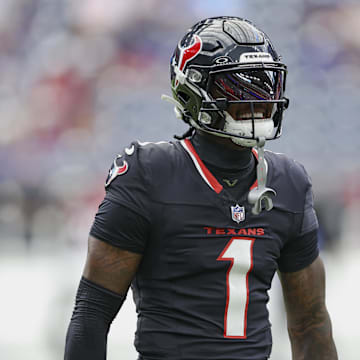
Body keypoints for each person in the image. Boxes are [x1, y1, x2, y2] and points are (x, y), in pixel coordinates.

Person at [64, 16, 338, 360]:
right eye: (239, 89)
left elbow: (310, 323)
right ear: (192, 91)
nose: (259, 101)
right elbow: (92, 314)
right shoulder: (149, 174)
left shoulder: (289, 182)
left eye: (264, 85)